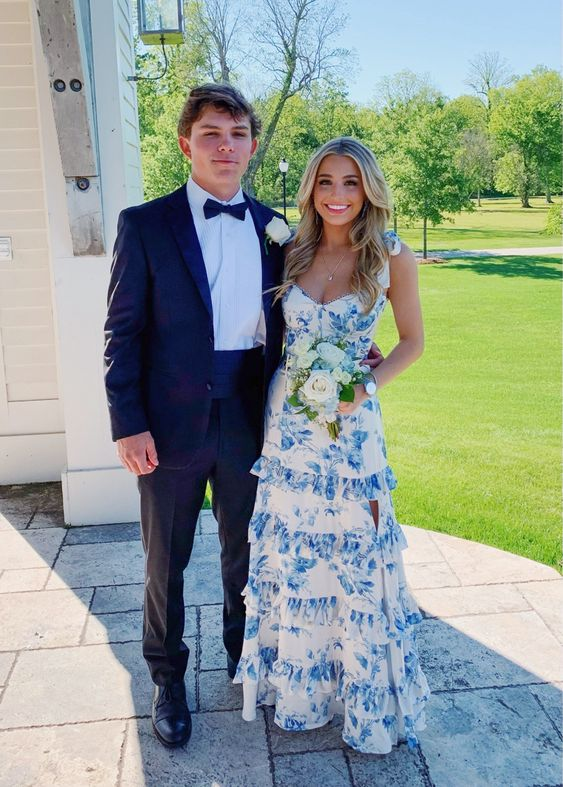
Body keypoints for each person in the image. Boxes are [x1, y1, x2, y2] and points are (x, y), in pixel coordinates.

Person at [103, 83, 287, 748]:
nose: (225, 145)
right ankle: (166, 676)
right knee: (165, 558)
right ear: (186, 143)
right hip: (169, 418)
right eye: (211, 132)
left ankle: (244, 658)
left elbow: (295, 316)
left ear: (251, 145)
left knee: (246, 549)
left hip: (248, 411)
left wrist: (352, 347)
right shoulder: (144, 224)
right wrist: (127, 420)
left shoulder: (277, 228)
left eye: (237, 134)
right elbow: (121, 331)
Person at [234, 137, 431, 753]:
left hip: (352, 432)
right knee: (297, 554)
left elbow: (412, 343)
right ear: (311, 190)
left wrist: (363, 384)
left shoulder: (390, 257)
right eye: (326, 182)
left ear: (368, 189)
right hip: (288, 430)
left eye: (350, 183)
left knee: (356, 552)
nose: (338, 195)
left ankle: (363, 700)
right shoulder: (290, 250)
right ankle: (300, 690)